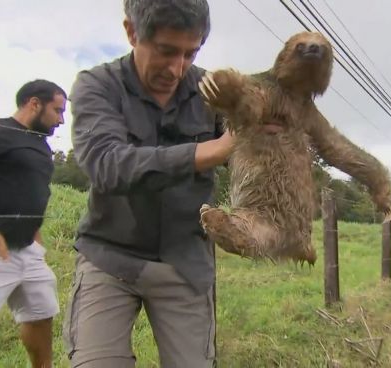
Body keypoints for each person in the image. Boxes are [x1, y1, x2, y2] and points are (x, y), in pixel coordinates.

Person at [62, 1, 234, 367]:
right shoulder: (97, 86)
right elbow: (106, 165)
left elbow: (249, 151)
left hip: (184, 263)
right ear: (131, 32)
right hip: (109, 258)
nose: (177, 68)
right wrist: (210, 151)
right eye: (166, 51)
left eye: (191, 53)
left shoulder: (213, 93)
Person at [0, 79, 67, 368]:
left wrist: (36, 239)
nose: (61, 120)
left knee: (41, 311)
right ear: (34, 103)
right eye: (57, 111)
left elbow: (28, 193)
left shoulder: (41, 147)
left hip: (27, 250)